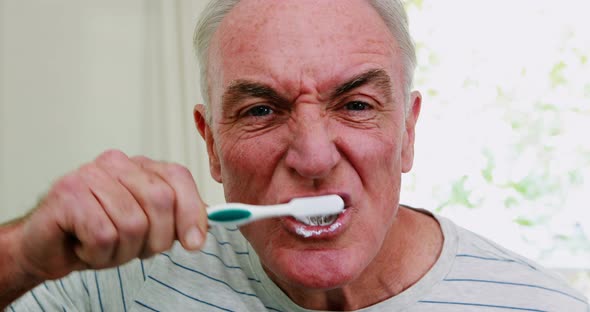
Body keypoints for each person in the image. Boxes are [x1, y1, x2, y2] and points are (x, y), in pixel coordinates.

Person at [1, 0, 589, 311]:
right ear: (211, 144)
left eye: (356, 105)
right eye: (260, 111)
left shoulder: (543, 308)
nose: (311, 157)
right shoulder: (118, 285)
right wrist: (23, 253)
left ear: (407, 133)